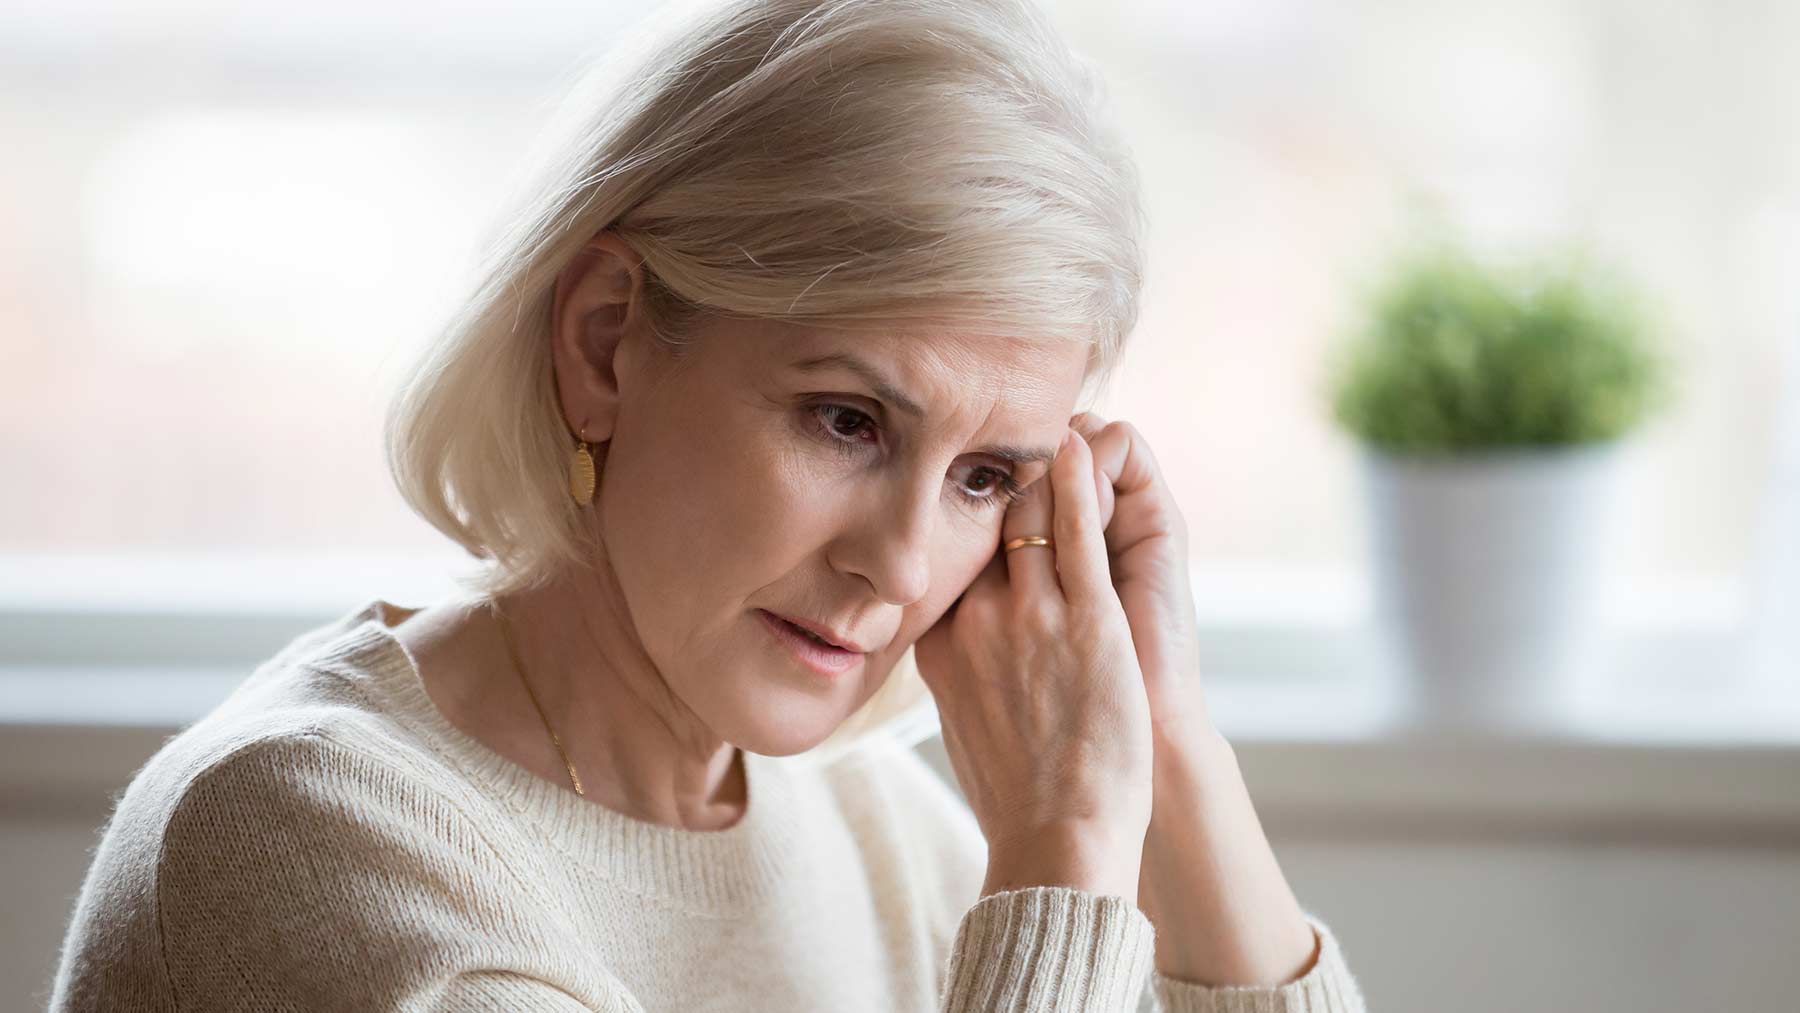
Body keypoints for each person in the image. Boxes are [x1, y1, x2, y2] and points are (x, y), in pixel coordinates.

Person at [50, 0, 1367, 1009]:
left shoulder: (880, 838)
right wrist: (1070, 850)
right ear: (607, 341)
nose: (900, 567)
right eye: (849, 421)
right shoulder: (301, 833)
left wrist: (1171, 758)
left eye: (987, 477)